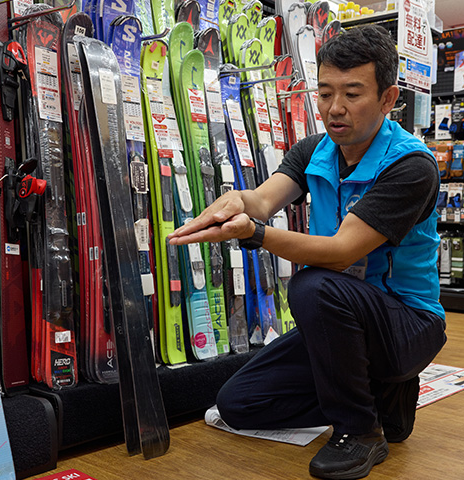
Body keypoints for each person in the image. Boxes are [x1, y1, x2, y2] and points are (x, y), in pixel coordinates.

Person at [168, 24, 447, 480]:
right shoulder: (315, 150)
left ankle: (360, 431)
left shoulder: (410, 166)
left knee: (314, 284)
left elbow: (340, 253)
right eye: (324, 93)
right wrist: (235, 202)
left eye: (352, 94)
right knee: (239, 403)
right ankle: (382, 397)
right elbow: (263, 200)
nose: (335, 108)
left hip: (407, 324)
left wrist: (254, 234)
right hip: (345, 324)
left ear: (388, 98)